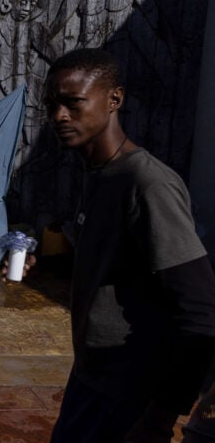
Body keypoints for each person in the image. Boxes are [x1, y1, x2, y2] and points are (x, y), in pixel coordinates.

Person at [43, 48, 215, 443]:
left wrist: (159, 417)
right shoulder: (98, 173)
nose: (59, 116)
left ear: (114, 99)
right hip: (92, 376)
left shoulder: (147, 184)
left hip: (128, 391)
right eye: (52, 105)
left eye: (73, 103)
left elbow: (202, 311)